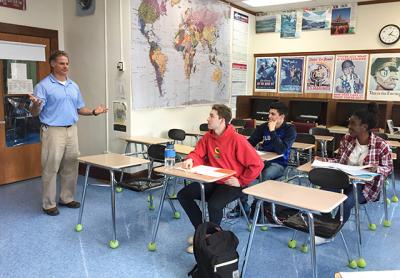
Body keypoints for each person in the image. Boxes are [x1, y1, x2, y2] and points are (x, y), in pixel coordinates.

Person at [29, 50, 108, 216]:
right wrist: (35, 104)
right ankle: (48, 204)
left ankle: (67, 198)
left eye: (67, 63)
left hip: (72, 130)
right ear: (52, 64)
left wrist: (94, 111)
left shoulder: (73, 86)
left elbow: (80, 108)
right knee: (51, 167)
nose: (65, 66)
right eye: (61, 63)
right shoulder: (43, 86)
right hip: (52, 131)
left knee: (71, 165)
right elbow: (35, 112)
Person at [177, 104, 264, 253]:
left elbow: (257, 164)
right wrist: (191, 159)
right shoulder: (208, 137)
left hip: (232, 183)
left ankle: (212, 239)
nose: (207, 118)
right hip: (212, 180)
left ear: (222, 120)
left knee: (214, 205)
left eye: (212, 116)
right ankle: (202, 233)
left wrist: (241, 181)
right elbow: (197, 153)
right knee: (183, 195)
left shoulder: (237, 139)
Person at [315, 103, 392, 243]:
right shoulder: (347, 139)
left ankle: (328, 233)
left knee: (345, 202)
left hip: (365, 186)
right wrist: (322, 160)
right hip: (343, 180)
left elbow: (389, 169)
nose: (348, 126)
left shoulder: (381, 145)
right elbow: (339, 161)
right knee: (322, 194)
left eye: (353, 123)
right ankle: (329, 225)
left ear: (364, 127)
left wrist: (377, 169)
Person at [229, 102, 296, 218]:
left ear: (281, 116)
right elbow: (250, 143)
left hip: (278, 164)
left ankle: (258, 207)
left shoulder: (290, 130)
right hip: (261, 161)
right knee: (241, 171)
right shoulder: (264, 127)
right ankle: (242, 206)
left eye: (273, 114)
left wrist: (272, 131)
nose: (269, 116)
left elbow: (281, 150)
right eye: (269, 113)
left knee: (265, 175)